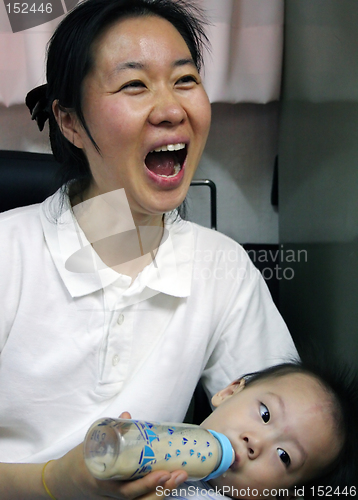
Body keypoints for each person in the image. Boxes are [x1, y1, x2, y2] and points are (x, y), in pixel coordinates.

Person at [0, 0, 298, 498]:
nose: (171, 109)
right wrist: (53, 483)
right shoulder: (9, 254)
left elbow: (288, 435)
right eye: (134, 85)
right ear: (70, 123)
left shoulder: (222, 267)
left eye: (185, 80)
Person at [159, 362, 358, 499]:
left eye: (284, 456)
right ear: (229, 393)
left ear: (284, 496)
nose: (256, 442)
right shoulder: (155, 443)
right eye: (265, 414)